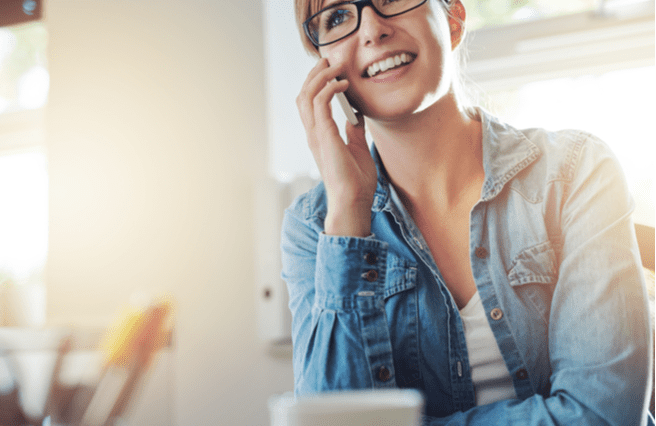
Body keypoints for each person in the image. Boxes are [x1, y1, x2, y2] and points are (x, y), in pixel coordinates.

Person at [280, 0, 654, 424]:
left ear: (454, 18)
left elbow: (603, 416)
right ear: (325, 68)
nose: (371, 30)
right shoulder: (314, 227)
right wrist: (348, 212)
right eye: (338, 17)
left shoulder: (577, 170)